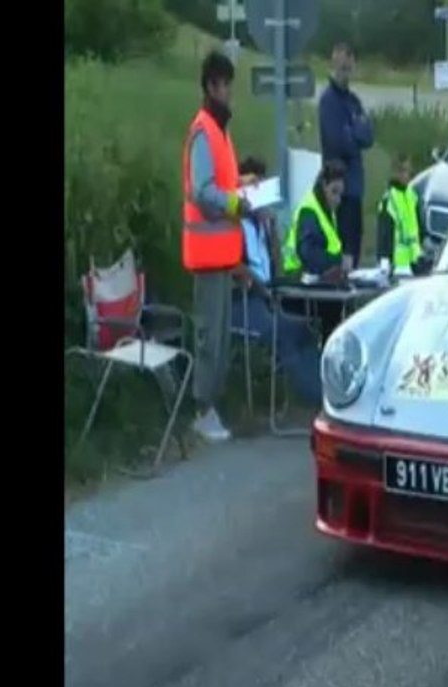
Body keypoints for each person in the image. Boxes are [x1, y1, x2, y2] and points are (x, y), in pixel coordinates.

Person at [182, 50, 251, 443]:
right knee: (210, 336)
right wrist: (235, 202)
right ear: (212, 86)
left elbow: (221, 185)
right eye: (226, 86)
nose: (230, 94)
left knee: (220, 336)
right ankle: (202, 409)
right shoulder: (204, 131)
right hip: (208, 256)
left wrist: (243, 184)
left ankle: (211, 405)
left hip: (222, 255)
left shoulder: (219, 130)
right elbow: (203, 191)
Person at [233, 157, 323, 406]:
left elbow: (277, 265)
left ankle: (319, 390)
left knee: (305, 326)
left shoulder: (261, 223)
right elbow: (235, 268)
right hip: (246, 300)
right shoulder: (234, 224)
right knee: (280, 332)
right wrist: (262, 291)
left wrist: (271, 230)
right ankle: (311, 397)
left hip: (269, 295)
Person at [318, 42, 373, 271]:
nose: (344, 73)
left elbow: (368, 136)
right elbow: (336, 142)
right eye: (340, 67)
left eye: (348, 68)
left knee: (355, 247)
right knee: (342, 253)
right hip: (338, 189)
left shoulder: (353, 101)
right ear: (333, 66)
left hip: (355, 187)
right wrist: (353, 133)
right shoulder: (328, 101)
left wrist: (352, 132)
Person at [282, 160, 349, 340]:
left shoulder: (325, 211)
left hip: (314, 283)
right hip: (297, 284)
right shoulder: (310, 211)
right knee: (334, 308)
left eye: (340, 195)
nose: (337, 199)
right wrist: (336, 262)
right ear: (323, 186)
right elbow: (308, 253)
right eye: (334, 192)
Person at [376, 154, 428, 276]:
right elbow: (383, 234)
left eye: (408, 170)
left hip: (416, 263)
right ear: (396, 173)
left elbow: (419, 227)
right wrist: (384, 261)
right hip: (397, 267)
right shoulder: (389, 200)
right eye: (403, 171)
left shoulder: (412, 196)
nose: (407, 175)